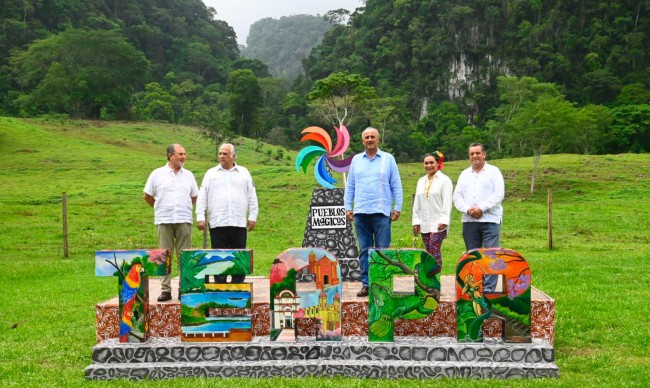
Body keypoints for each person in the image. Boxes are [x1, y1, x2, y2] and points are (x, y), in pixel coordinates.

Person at [344, 127, 403, 297]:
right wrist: (348, 207)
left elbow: (396, 184)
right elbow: (351, 186)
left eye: (372, 137)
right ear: (362, 141)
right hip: (361, 211)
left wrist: (397, 207)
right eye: (366, 137)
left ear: (378, 140)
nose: (369, 139)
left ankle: (383, 285)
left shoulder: (388, 159)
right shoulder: (356, 160)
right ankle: (367, 284)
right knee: (364, 249)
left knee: (383, 249)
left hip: (381, 211)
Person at [144, 144, 199, 302]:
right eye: (180, 154)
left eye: (184, 154)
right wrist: (160, 207)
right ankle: (165, 290)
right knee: (164, 256)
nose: (183, 157)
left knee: (184, 256)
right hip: (164, 220)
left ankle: (184, 288)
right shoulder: (157, 174)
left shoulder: (188, 175)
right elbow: (147, 195)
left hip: (184, 220)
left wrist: (183, 207)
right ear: (170, 155)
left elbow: (194, 196)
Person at [453, 143, 504, 292]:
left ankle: (488, 291)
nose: (475, 156)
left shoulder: (494, 172)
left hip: (490, 220)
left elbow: (499, 194)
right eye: (472, 154)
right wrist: (468, 210)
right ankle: (475, 290)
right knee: (473, 256)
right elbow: (457, 196)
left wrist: (481, 208)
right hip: (470, 221)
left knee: (490, 256)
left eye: (478, 153)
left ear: (484, 155)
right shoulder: (464, 174)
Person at [196, 143, 258, 267]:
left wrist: (253, 216)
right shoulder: (211, 173)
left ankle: (238, 285)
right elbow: (202, 196)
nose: (222, 156)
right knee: (218, 257)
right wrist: (200, 217)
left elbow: (252, 195)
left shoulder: (244, 173)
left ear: (234, 156)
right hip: (218, 222)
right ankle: (220, 284)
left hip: (238, 222)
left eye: (225, 154)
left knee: (239, 256)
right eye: (220, 154)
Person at [412, 151, 453, 273]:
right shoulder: (421, 181)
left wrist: (444, 220)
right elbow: (417, 203)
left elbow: (447, 201)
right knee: (428, 250)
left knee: (434, 248)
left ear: (438, 163)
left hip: (438, 222)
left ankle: (434, 272)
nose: (429, 165)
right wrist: (416, 221)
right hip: (424, 222)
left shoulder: (445, 180)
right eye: (426, 163)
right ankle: (429, 282)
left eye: (431, 162)